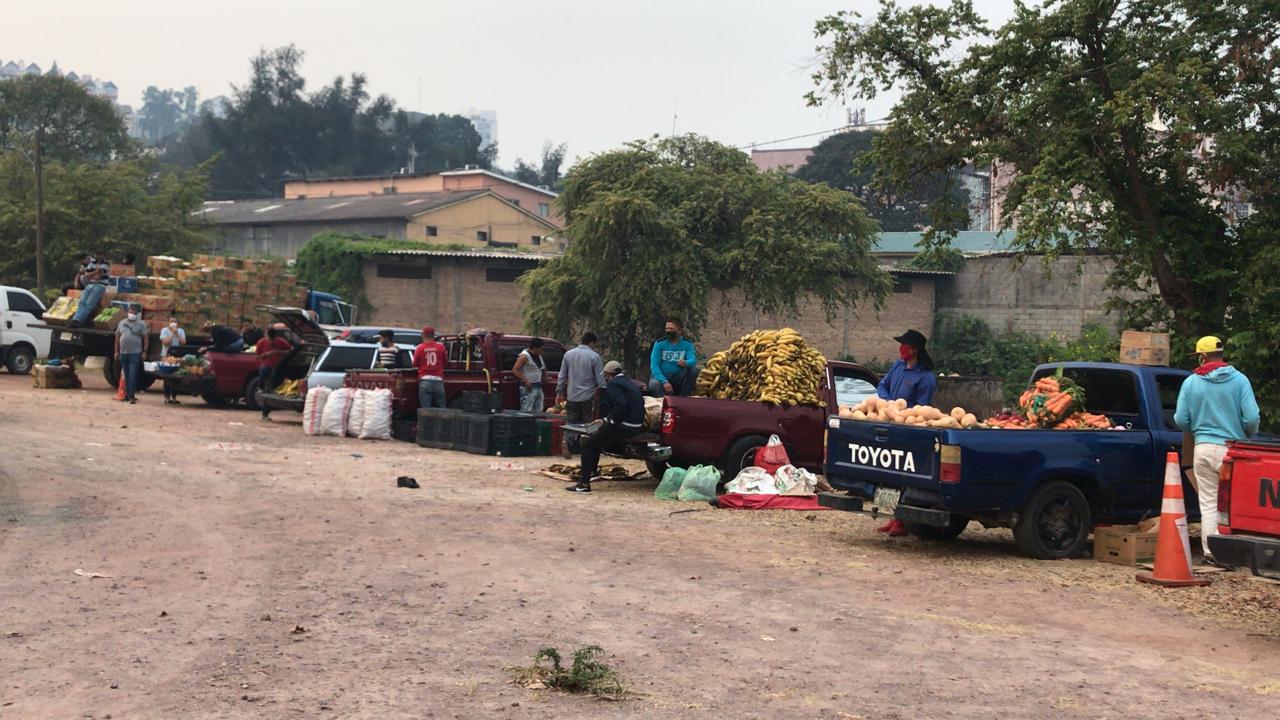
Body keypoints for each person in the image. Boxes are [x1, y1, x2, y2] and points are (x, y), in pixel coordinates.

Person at [1174, 335, 1260, 566]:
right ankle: (1233, 553)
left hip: (1202, 449)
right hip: (1232, 451)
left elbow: (1181, 419)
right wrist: (1246, 434)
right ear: (1221, 355)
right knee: (1232, 504)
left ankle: (1211, 552)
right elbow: (1252, 418)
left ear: (1203, 357)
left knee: (1209, 503)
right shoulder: (1240, 380)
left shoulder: (1191, 382)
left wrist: (1196, 428)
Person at [875, 329, 938, 536]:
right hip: (889, 424)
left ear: (914, 349)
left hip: (908, 431)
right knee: (889, 476)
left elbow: (921, 408)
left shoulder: (926, 378)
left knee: (903, 477)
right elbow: (882, 385)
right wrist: (888, 403)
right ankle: (893, 517)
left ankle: (901, 521)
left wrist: (902, 413)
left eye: (905, 345)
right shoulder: (897, 366)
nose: (901, 348)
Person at [568, 361, 645, 494]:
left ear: (608, 374)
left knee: (587, 443)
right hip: (637, 425)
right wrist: (605, 420)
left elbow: (620, 405)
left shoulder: (613, 384)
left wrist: (610, 421)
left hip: (624, 426)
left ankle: (584, 484)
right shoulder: (629, 383)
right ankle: (592, 472)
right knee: (597, 438)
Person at [556, 332, 606, 456]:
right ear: (592, 343)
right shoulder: (594, 357)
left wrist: (559, 392)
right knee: (587, 423)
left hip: (571, 395)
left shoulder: (568, 354)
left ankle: (566, 441)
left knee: (571, 422)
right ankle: (585, 448)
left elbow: (562, 375)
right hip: (588, 396)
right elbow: (600, 380)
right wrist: (604, 392)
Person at [648, 318, 699, 397]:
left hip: (678, 378)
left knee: (693, 370)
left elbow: (692, 360)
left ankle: (683, 398)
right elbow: (654, 365)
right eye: (667, 329)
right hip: (661, 378)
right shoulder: (659, 343)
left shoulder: (687, 344)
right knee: (654, 384)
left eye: (671, 329)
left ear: (679, 330)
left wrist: (686, 362)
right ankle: (664, 401)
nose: (668, 331)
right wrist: (664, 381)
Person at [114, 304, 148, 405]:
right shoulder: (122, 323)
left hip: (135, 353)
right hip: (123, 352)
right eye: (130, 312)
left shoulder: (141, 324)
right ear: (127, 313)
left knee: (132, 374)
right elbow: (117, 338)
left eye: (134, 313)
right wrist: (116, 351)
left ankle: (131, 396)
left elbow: (145, 337)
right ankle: (127, 395)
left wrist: (144, 351)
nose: (132, 314)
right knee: (126, 375)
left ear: (137, 314)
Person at [253, 328, 293, 414]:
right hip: (267, 366)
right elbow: (256, 357)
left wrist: (279, 352)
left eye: (273, 338)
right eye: (270, 338)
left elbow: (291, 350)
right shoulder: (261, 342)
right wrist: (268, 354)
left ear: (276, 336)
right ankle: (261, 387)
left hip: (278, 366)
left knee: (273, 388)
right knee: (265, 375)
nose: (272, 341)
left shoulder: (281, 341)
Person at [69, 252, 111, 327]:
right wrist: (96, 271)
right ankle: (75, 320)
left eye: (100, 254)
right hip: (90, 285)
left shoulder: (106, 264)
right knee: (82, 302)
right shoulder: (92, 263)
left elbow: (98, 277)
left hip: (100, 285)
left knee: (89, 305)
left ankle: (78, 321)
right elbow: (86, 276)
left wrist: (92, 274)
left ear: (103, 255)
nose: (98, 256)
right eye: (97, 254)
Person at [413, 326, 447, 409]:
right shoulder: (441, 346)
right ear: (433, 335)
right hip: (438, 380)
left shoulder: (419, 347)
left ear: (423, 335)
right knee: (441, 407)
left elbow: (414, 364)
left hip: (424, 380)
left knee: (425, 408)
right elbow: (446, 361)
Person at [513, 337, 546, 413]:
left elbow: (543, 366)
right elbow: (515, 370)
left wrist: (545, 375)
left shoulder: (538, 355)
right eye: (541, 348)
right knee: (527, 408)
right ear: (535, 348)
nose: (542, 350)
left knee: (539, 408)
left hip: (538, 385)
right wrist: (525, 380)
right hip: (528, 387)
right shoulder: (524, 357)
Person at [159, 316, 187, 404]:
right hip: (166, 355)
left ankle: (174, 397)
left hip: (177, 356)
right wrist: (172, 334)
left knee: (176, 377)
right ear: (169, 322)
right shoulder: (164, 330)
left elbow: (183, 342)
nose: (173, 323)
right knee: (167, 377)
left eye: (175, 321)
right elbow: (165, 343)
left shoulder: (181, 331)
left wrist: (177, 334)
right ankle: (167, 397)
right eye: (172, 321)